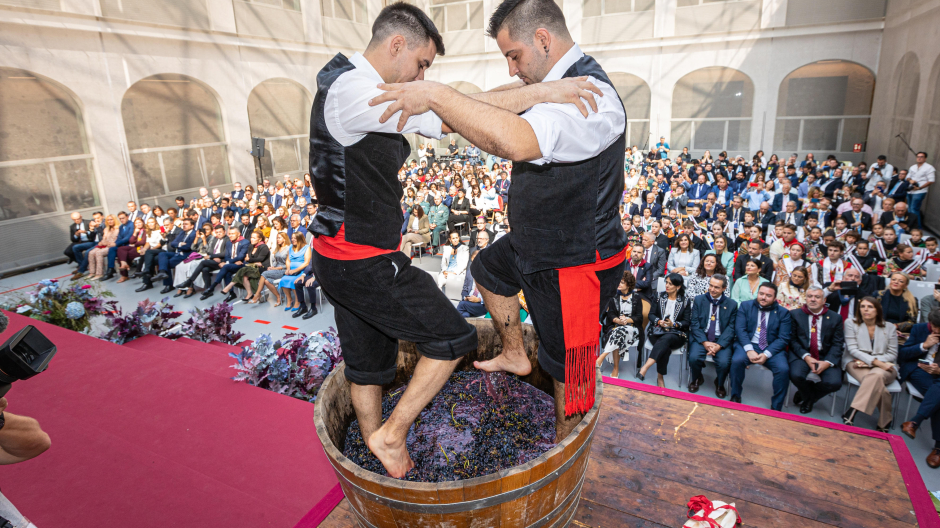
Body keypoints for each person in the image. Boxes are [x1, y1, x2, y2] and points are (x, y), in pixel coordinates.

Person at [375, 0, 628, 442]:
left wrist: (435, 93)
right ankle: (514, 353)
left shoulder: (593, 95)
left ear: (543, 40)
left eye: (515, 56)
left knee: (570, 373)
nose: (513, 70)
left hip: (576, 259)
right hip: (531, 242)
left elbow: (515, 140)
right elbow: (490, 105)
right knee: (488, 270)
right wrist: (440, 107)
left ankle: (564, 451)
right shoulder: (551, 84)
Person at [731, 282, 792, 409]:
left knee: (783, 369)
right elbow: (740, 329)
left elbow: (783, 338)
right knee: (737, 361)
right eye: (761, 294)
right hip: (748, 344)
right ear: (757, 294)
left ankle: (776, 406)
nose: (763, 297)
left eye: (768, 295)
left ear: (775, 298)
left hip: (771, 347)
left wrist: (766, 354)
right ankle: (735, 395)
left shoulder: (783, 313)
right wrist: (749, 350)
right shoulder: (745, 306)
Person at [842, 297, 898, 431]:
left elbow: (893, 354)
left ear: (878, 310)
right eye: (862, 306)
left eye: (870, 307)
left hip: (885, 366)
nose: (865, 309)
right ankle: (885, 420)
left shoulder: (889, 327)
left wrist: (872, 363)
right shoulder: (850, 323)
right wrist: (875, 362)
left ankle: (852, 411)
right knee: (878, 383)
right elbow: (853, 349)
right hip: (855, 363)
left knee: (875, 376)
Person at [787, 287, 844, 414]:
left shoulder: (835, 318)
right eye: (810, 296)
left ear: (824, 300)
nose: (813, 299)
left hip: (825, 355)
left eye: (817, 297)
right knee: (795, 375)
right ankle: (809, 397)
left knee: (834, 383)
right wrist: (806, 357)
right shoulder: (795, 314)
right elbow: (792, 340)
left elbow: (838, 343)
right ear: (805, 298)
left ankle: (807, 396)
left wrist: (828, 362)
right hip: (802, 353)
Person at [900, 309, 940, 468]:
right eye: (934, 327)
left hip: (938, 375)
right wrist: (924, 346)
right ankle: (938, 448)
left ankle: (914, 422)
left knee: (937, 393)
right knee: (937, 394)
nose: (936, 331)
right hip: (918, 370)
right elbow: (902, 355)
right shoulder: (919, 329)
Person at [687, 274, 737, 397]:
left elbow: (731, 327)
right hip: (702, 337)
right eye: (711, 285)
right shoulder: (699, 300)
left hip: (721, 339)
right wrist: (704, 342)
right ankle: (697, 378)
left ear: (724, 288)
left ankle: (720, 383)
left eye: (717, 287)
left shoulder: (732, 304)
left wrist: (719, 345)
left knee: (725, 362)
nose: (712, 289)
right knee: (693, 357)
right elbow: (694, 323)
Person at [638, 273, 690, 387]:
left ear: (678, 286)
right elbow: (651, 315)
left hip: (676, 334)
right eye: (666, 282)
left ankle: (645, 367)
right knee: (665, 347)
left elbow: (686, 322)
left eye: (670, 284)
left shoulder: (685, 301)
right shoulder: (658, 297)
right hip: (657, 331)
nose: (666, 285)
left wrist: (674, 324)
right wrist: (659, 321)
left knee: (668, 338)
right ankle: (660, 377)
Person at [597, 270, 642, 379]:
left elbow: (639, 317)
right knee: (618, 333)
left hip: (632, 329)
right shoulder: (614, 298)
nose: (618, 284)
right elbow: (611, 314)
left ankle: (603, 356)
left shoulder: (636, 298)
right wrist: (618, 321)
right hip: (617, 327)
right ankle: (615, 368)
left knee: (618, 332)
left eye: (621, 282)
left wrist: (627, 320)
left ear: (628, 284)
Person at [198, 227, 249, 300]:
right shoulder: (229, 243)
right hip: (232, 264)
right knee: (227, 273)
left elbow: (241, 256)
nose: (230, 235)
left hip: (241, 265)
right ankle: (232, 294)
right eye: (229, 234)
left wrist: (227, 262)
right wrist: (229, 261)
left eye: (232, 234)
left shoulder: (245, 242)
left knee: (225, 267)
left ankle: (212, 287)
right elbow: (227, 256)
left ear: (238, 234)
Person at [222, 229, 270, 303]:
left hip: (262, 268)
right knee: (245, 275)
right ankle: (250, 293)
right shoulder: (251, 246)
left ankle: (230, 285)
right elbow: (248, 259)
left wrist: (250, 259)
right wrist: (254, 262)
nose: (252, 239)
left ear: (260, 239)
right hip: (252, 267)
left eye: (254, 238)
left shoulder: (264, 247)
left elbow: (260, 258)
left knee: (244, 270)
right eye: (251, 237)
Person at [275, 232, 311, 310]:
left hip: (302, 272)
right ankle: (289, 299)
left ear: (300, 238)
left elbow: (306, 262)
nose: (293, 240)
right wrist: (288, 269)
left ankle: (298, 301)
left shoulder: (306, 247)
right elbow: (288, 260)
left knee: (293, 281)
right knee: (283, 280)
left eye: (295, 238)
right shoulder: (291, 247)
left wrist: (295, 270)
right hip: (291, 271)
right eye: (292, 238)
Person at [253, 232, 291, 305]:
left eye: (279, 238)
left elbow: (289, 264)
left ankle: (257, 294)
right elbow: (276, 261)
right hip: (276, 269)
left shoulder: (289, 248)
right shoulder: (278, 248)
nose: (277, 239)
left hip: (284, 270)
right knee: (267, 281)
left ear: (284, 238)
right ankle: (278, 297)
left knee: (264, 274)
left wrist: (277, 268)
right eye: (277, 238)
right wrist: (272, 267)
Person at [84, 214, 120, 280]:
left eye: (111, 219)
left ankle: (99, 273)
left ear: (114, 220)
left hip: (111, 246)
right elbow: (104, 238)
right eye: (108, 220)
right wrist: (101, 242)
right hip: (104, 245)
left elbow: (116, 240)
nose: (110, 221)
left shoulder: (118, 229)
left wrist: (106, 243)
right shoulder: (106, 229)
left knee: (98, 253)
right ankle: (92, 272)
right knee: (91, 253)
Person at [907, 152, 935, 228]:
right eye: (918, 156)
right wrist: (910, 181)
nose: (919, 158)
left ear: (925, 158)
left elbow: (931, 180)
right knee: (909, 209)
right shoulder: (912, 167)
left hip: (920, 191)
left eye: (921, 157)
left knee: (914, 209)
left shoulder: (929, 168)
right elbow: (908, 177)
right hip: (910, 190)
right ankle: (910, 226)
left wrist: (919, 187)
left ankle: (917, 227)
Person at [116, 218, 148, 283]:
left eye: (139, 222)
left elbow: (143, 242)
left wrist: (134, 244)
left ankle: (124, 275)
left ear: (142, 222)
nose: (138, 224)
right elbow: (131, 241)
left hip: (142, 248)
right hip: (136, 247)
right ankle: (124, 263)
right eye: (136, 223)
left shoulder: (145, 230)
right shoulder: (137, 231)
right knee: (120, 249)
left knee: (123, 256)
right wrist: (135, 233)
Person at [457, 251, 487, 318]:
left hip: (482, 305)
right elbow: (465, 289)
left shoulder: (488, 274)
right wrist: (465, 297)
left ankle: (451, 324)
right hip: (470, 302)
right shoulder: (470, 272)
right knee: (465, 315)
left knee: (462, 305)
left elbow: (492, 296)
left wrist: (478, 299)